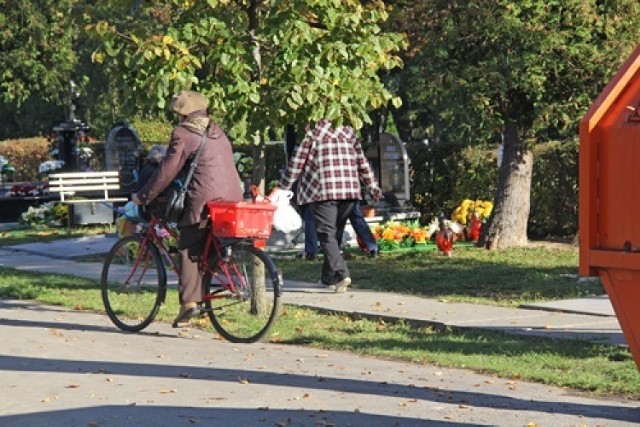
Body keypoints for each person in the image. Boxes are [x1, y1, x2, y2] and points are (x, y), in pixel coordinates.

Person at [132, 90, 243, 326]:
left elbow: (167, 170)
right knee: (208, 249)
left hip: (205, 198)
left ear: (182, 114)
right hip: (232, 197)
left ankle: (189, 304)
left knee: (189, 248)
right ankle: (204, 296)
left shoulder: (184, 133)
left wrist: (144, 195)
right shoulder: (217, 132)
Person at [280, 119, 382, 293]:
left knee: (327, 235)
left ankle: (342, 274)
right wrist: (373, 187)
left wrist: (282, 187)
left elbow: (296, 163)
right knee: (334, 235)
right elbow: (362, 163)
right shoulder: (348, 131)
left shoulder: (310, 132)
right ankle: (328, 278)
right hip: (349, 192)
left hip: (323, 191)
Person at [299, 202, 379, 260]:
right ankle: (373, 248)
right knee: (355, 216)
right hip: (349, 190)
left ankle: (311, 252)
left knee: (311, 216)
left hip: (326, 193)